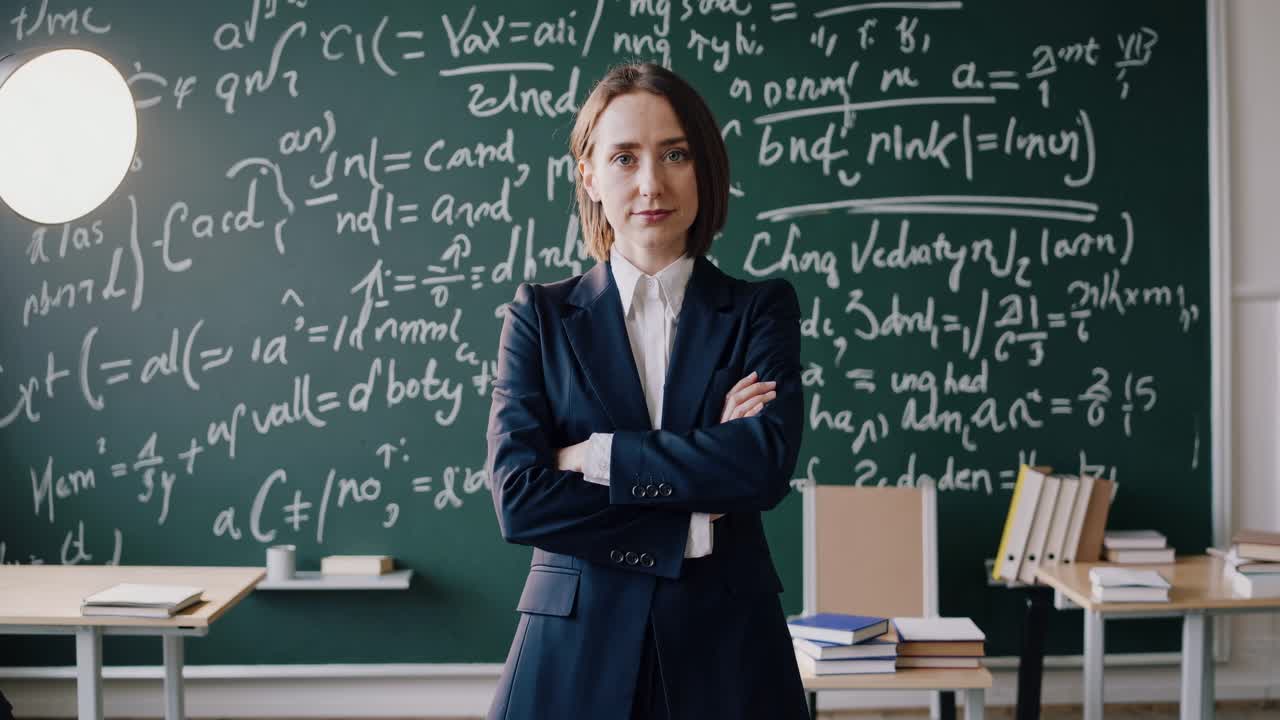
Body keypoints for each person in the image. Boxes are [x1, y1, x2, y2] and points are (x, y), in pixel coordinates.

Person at [486, 62, 808, 719]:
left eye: (675, 154)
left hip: (727, 649)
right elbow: (520, 500)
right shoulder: (539, 316)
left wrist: (595, 456)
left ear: (705, 168)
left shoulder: (760, 310)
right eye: (624, 158)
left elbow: (761, 468)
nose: (651, 183)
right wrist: (694, 505)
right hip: (572, 649)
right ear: (589, 176)